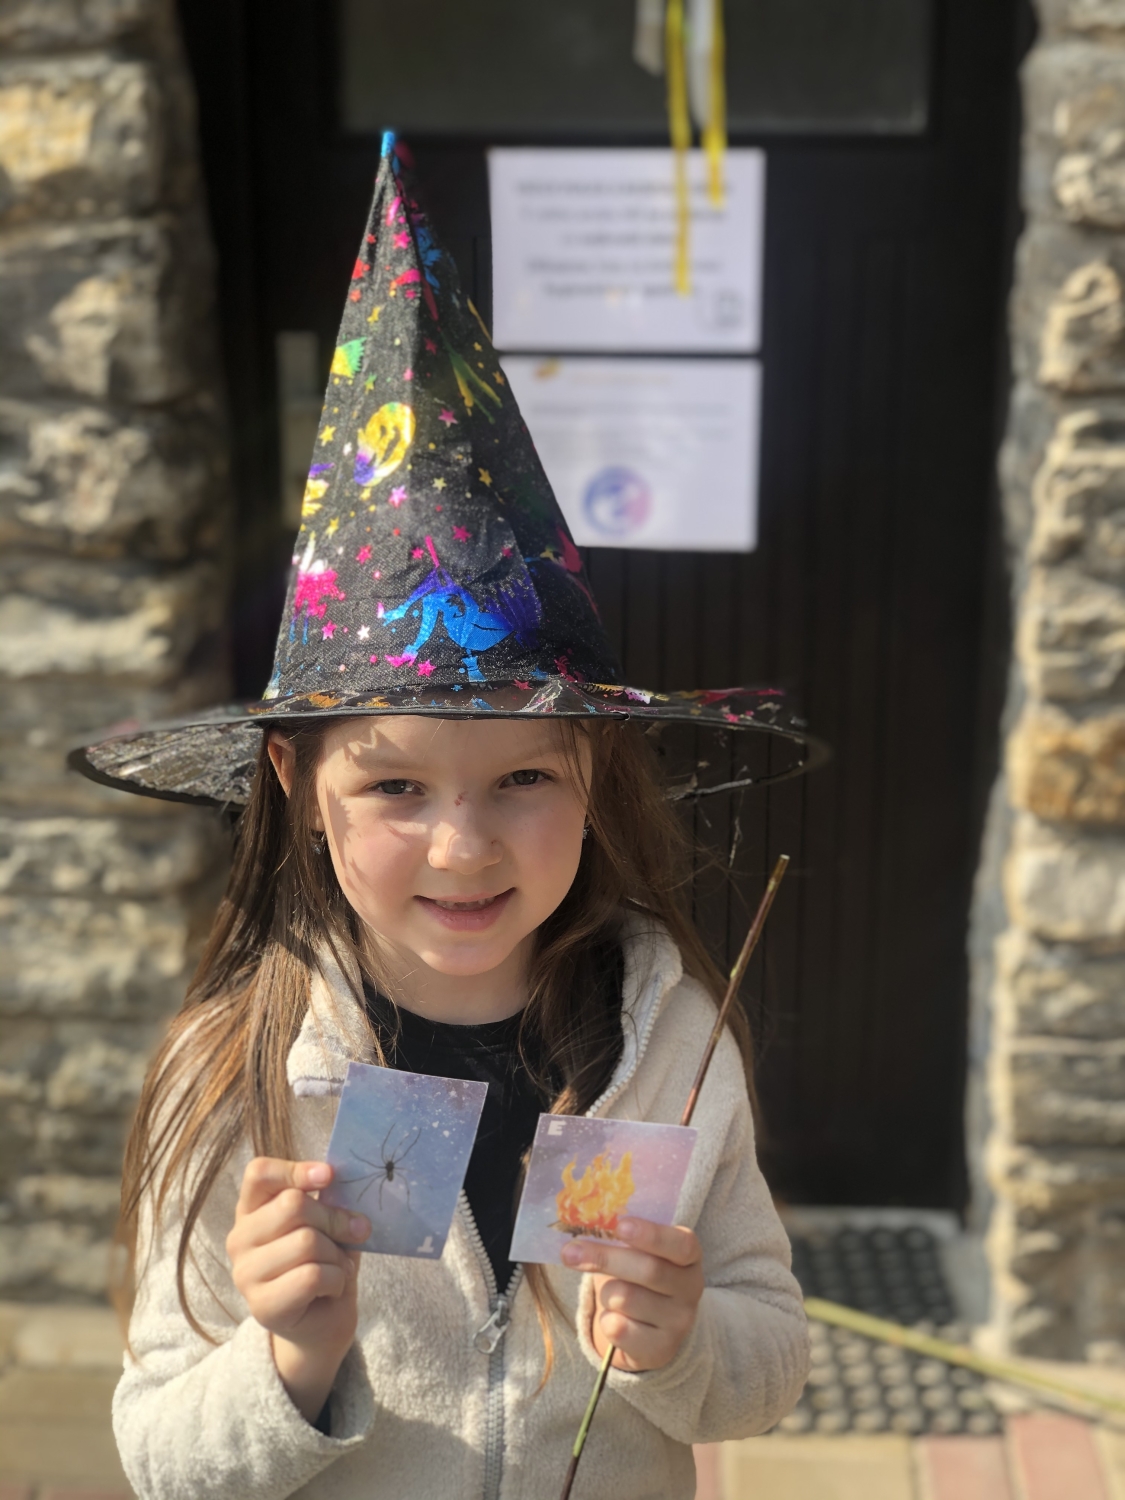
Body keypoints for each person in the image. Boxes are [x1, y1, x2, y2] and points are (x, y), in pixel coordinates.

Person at [72, 134, 816, 1500]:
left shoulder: (670, 1038)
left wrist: (685, 1343)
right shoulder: (235, 1073)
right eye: (395, 786)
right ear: (296, 787)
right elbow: (162, 1456)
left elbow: (768, 1357)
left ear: (594, 771)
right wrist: (288, 1361)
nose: (464, 849)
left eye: (524, 779)